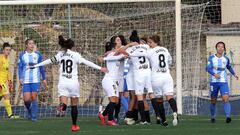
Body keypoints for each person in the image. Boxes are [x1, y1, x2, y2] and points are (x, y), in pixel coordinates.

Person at [30, 35, 108, 131]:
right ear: (72, 46)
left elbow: (48, 61)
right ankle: (74, 125)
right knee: (74, 105)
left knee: (64, 101)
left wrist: (36, 65)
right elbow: (86, 62)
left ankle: (63, 106)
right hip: (73, 83)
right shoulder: (76, 55)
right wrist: (100, 68)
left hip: (63, 82)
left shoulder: (60, 55)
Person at [147, 35, 178, 126]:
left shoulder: (150, 51)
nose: (149, 44)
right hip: (167, 77)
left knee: (159, 100)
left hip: (156, 78)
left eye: (150, 42)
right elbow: (170, 61)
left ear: (155, 42)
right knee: (170, 97)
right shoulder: (165, 49)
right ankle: (175, 111)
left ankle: (164, 120)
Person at [98, 36, 127, 126]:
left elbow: (124, 55)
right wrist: (104, 58)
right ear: (113, 47)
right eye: (116, 45)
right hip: (108, 80)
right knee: (113, 100)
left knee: (116, 101)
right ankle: (110, 119)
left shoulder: (115, 54)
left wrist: (125, 54)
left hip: (114, 81)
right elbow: (112, 58)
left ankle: (103, 115)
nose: (119, 47)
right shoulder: (111, 55)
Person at [206, 41, 238, 123]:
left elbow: (229, 67)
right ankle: (213, 117)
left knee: (226, 98)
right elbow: (208, 68)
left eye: (222, 47)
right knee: (213, 100)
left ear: (224, 48)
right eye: (219, 46)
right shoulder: (211, 58)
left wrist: (234, 74)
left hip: (223, 82)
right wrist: (214, 74)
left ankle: (228, 117)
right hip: (214, 82)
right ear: (216, 48)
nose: (220, 48)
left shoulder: (226, 59)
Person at [18, 39, 48, 122]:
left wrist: (44, 78)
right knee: (26, 99)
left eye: (33, 43)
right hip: (26, 80)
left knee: (34, 97)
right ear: (26, 45)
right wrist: (20, 77)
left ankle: (34, 117)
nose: (32, 45)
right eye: (30, 43)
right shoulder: (22, 55)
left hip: (35, 79)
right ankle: (30, 111)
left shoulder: (38, 55)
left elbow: (41, 67)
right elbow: (20, 68)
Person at [0, 43, 19, 118]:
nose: (8, 51)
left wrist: (10, 82)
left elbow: (7, 72)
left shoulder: (7, 59)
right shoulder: (0, 58)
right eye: (7, 50)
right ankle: (10, 115)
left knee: (2, 96)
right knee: (6, 95)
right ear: (3, 50)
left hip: (4, 81)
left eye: (9, 50)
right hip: (0, 81)